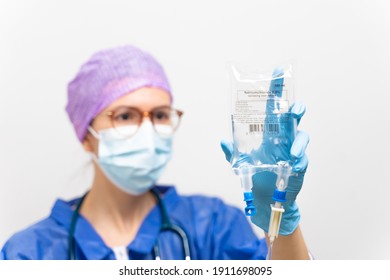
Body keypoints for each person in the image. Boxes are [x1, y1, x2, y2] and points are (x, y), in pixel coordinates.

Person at [1, 45, 310, 260]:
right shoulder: (29, 253)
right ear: (86, 136)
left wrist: (282, 224)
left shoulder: (213, 226)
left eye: (160, 115)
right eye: (125, 116)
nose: (148, 130)